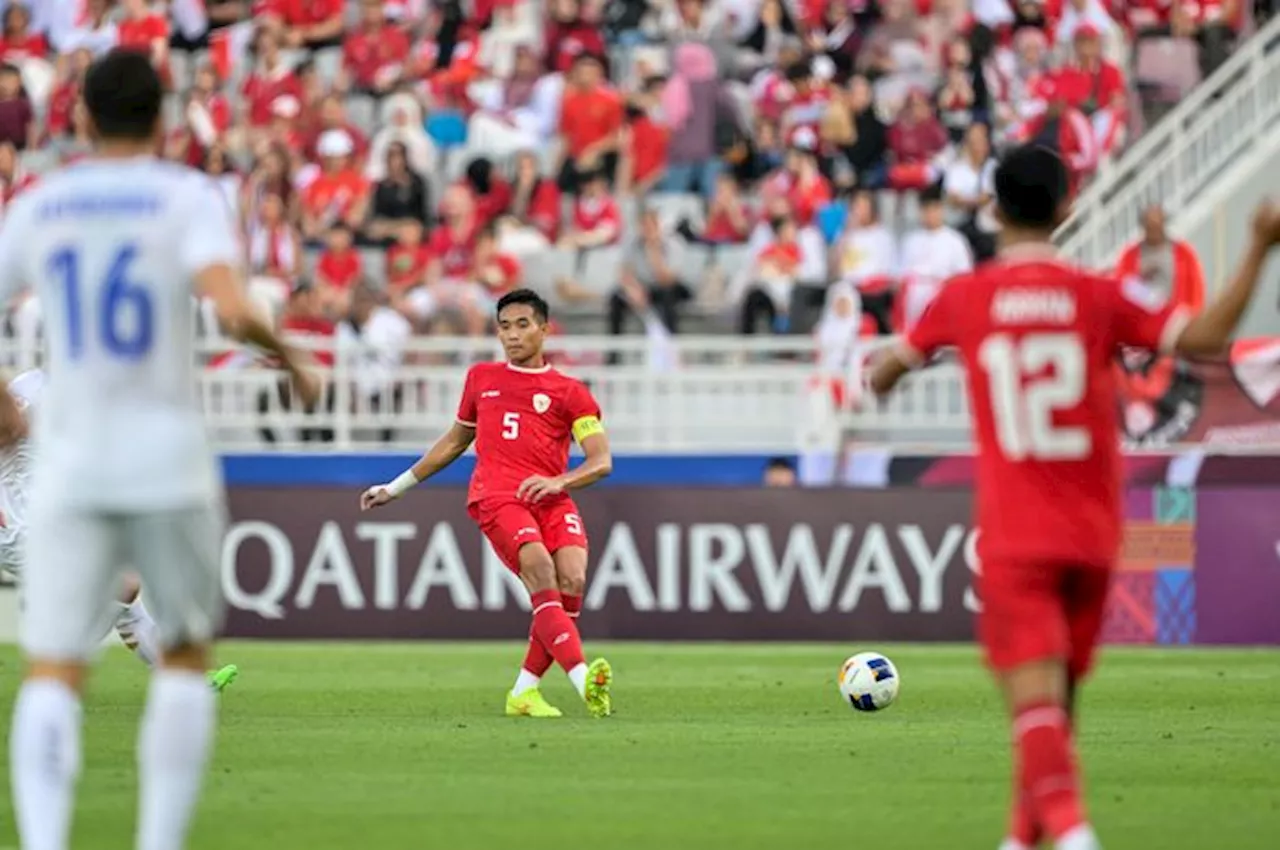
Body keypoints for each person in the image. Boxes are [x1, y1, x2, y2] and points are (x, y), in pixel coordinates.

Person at [869, 144, 1280, 850]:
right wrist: (1258, 246)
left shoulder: (962, 299)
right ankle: (1021, 838)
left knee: (1034, 714)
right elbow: (1207, 337)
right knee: (1055, 716)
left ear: (993, 209)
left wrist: (902, 357)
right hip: (1093, 533)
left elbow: (881, 376)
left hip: (1015, 535)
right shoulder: (1101, 296)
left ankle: (1074, 833)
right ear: (1068, 208)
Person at [0, 50, 318, 850]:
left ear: (77, 117)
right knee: (183, 657)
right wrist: (292, 355)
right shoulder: (188, 196)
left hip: (72, 454)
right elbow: (231, 305)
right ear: (166, 116)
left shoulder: (44, 202)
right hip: (165, 451)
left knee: (54, 668)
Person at [360, 289, 615, 720]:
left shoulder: (571, 392)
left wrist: (559, 482)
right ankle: (583, 680)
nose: (512, 335)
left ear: (544, 330)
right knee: (539, 569)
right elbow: (455, 442)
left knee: (571, 580)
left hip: (550, 496)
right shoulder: (482, 378)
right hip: (498, 497)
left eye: (522, 325)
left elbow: (601, 461)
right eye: (504, 326)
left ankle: (524, 692)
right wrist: (396, 486)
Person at [0, 369, 241, 690]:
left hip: (46, 522)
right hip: (15, 529)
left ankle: (188, 679)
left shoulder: (61, 391)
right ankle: (54, 671)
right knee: (122, 586)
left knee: (127, 605)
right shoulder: (27, 393)